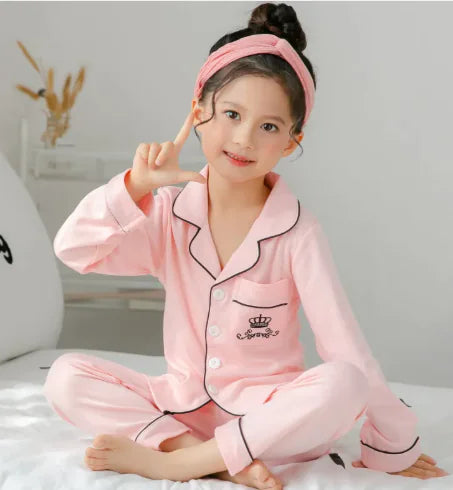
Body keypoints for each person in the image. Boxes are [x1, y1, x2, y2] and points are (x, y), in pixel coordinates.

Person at [43, 3, 448, 488]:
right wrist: (134, 188)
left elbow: (346, 346)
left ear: (291, 140)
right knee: (65, 377)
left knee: (345, 382)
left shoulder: (297, 232)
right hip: (181, 407)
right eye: (232, 114)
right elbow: (74, 250)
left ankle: (177, 463)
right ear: (199, 112)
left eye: (269, 126)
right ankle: (200, 456)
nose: (244, 138)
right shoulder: (169, 213)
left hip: (267, 420)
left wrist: (393, 444)